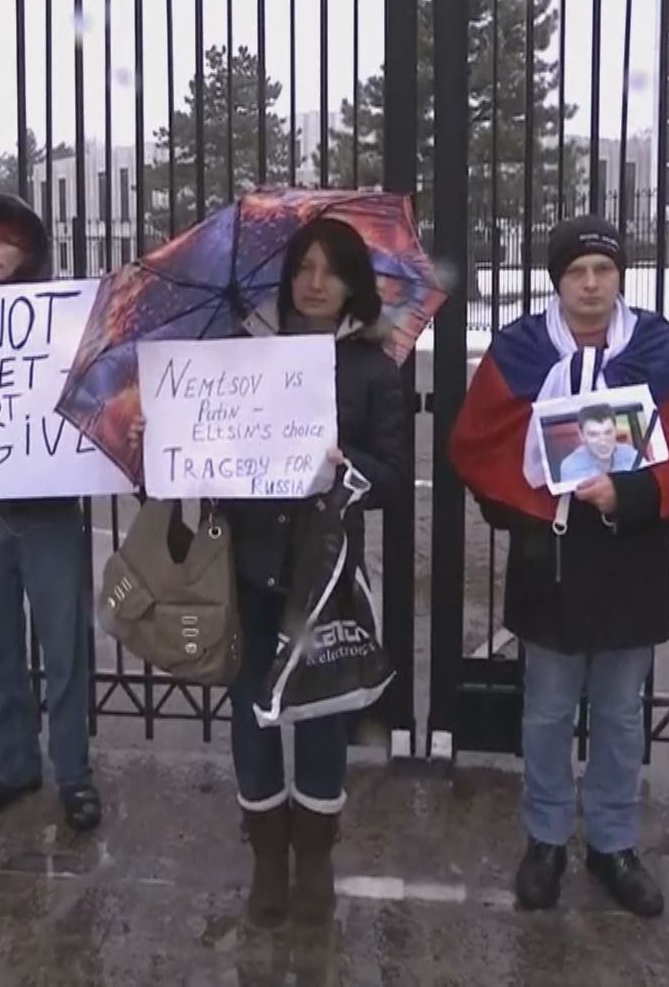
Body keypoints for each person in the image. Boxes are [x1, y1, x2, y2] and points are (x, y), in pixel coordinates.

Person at [129, 217, 409, 929]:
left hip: (325, 573)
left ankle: (313, 855)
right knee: (253, 709)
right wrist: (158, 440)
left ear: (353, 284)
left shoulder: (374, 369)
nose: (315, 283)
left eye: (331, 270)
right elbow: (194, 447)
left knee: (320, 712)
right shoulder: (238, 356)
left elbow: (397, 478)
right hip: (248, 567)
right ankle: (266, 855)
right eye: (304, 267)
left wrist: (352, 470)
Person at [449, 215, 669, 918]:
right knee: (546, 711)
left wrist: (627, 491)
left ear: (619, 276)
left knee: (622, 715)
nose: (591, 285)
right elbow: (475, 443)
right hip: (552, 555)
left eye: (603, 270)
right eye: (576, 272)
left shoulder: (658, 348)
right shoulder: (520, 348)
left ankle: (613, 844)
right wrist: (529, 499)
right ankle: (545, 840)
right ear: (558, 281)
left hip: (630, 552)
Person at [0, 193, 104, 833]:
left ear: (27, 249)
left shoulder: (63, 322)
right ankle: (11, 766)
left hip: (51, 515)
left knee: (65, 652)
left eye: (1, 240)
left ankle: (74, 774)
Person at [555, 403, 641, 483]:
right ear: (581, 435)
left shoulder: (631, 455)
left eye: (608, 432)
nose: (602, 442)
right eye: (593, 435)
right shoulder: (571, 467)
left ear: (615, 430)